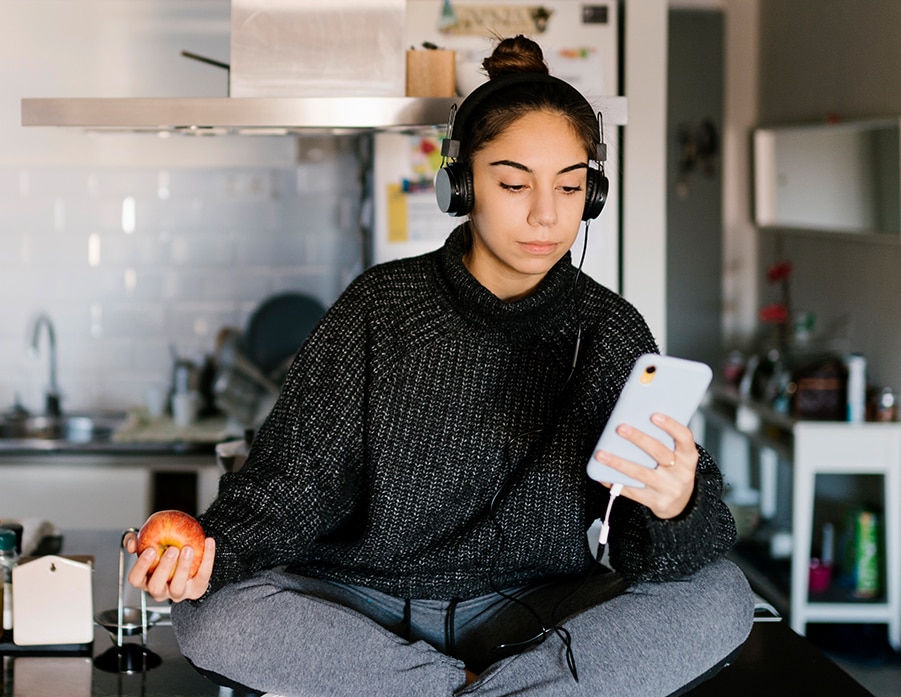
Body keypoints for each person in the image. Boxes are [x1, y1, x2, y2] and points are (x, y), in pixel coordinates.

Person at [126, 35, 753, 696]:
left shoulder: (610, 328)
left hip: (532, 607)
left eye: (570, 187)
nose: (547, 214)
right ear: (460, 184)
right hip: (366, 608)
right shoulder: (380, 306)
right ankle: (496, 689)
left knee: (721, 595)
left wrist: (677, 502)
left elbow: (655, 548)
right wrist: (207, 552)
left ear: (591, 194)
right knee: (210, 614)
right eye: (514, 183)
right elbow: (293, 484)